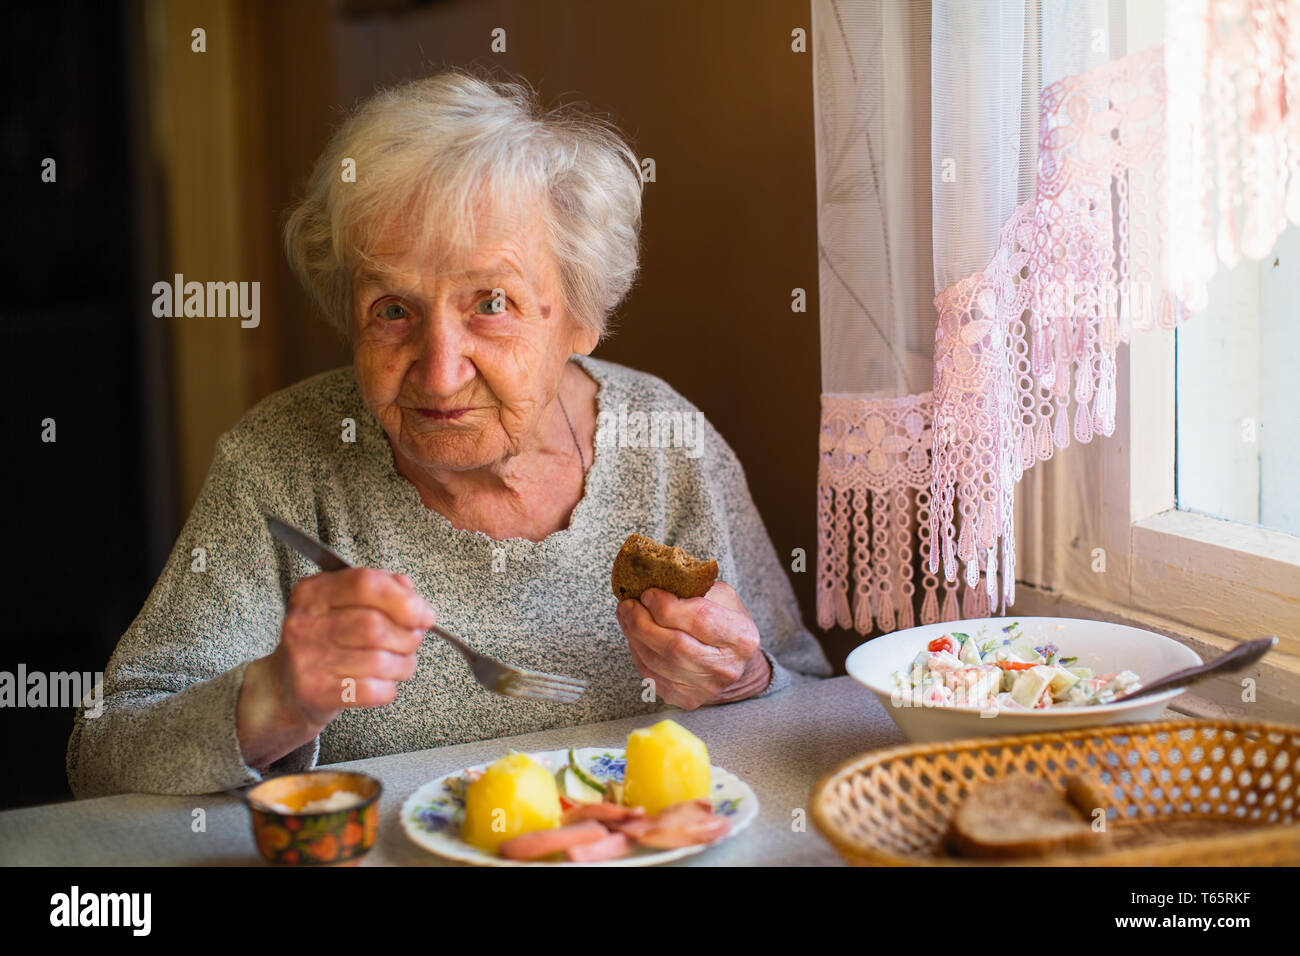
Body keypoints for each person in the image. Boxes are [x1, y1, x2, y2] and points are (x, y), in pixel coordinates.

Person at [67, 70, 830, 797]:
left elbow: (809, 699)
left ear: (580, 314)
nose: (437, 373)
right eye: (392, 309)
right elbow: (105, 758)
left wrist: (747, 679)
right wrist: (276, 699)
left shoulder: (667, 442)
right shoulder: (281, 461)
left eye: (490, 302)